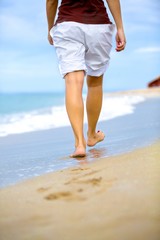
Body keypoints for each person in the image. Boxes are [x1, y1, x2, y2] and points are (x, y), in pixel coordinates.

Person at [46, 0, 126, 158]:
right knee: (95, 83)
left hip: (68, 25)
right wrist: (120, 27)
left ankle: (79, 144)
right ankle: (91, 134)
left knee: (73, 82)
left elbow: (51, 2)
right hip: (99, 25)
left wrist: (50, 28)